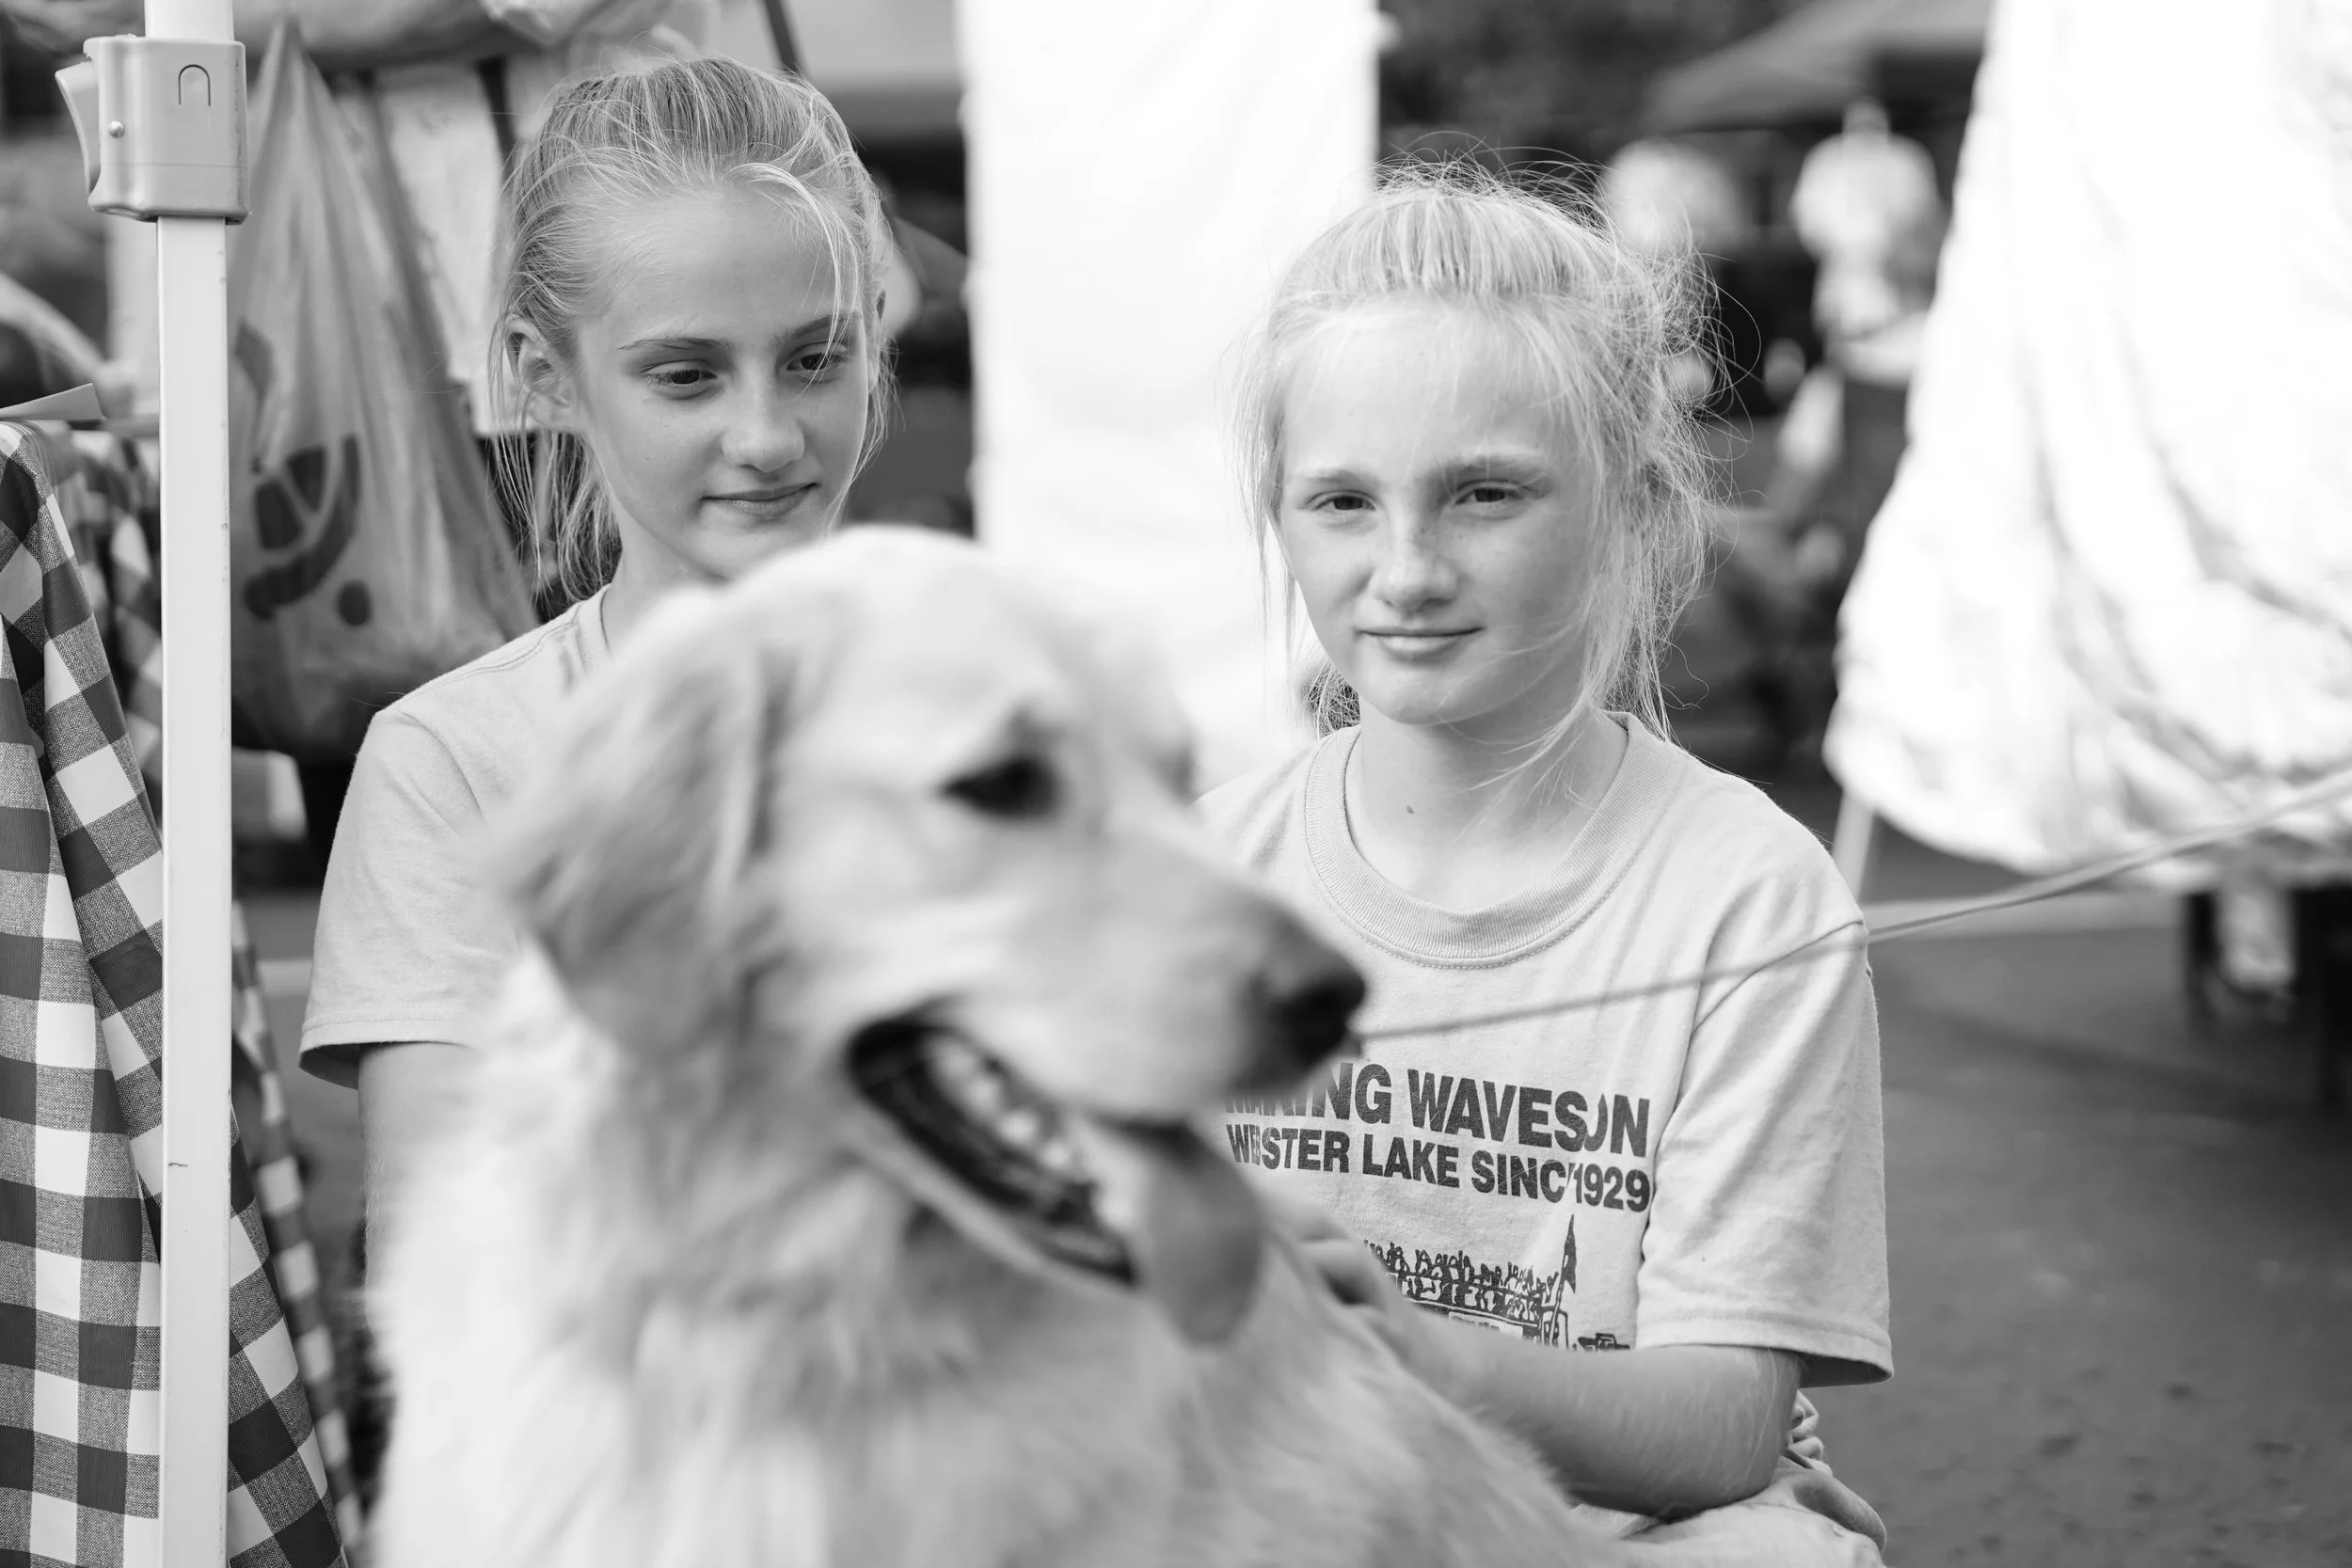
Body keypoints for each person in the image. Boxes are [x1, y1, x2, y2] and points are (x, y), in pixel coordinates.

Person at [1207, 165, 1892, 1563]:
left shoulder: (1749, 894)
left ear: (1631, 507)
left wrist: (1408, 1345)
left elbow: (1719, 1429)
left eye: (1482, 493)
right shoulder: (1204, 867)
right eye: (1341, 501)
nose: (1405, 568)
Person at [298, 57, 895, 1275]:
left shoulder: (997, 700)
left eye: (816, 357)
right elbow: (441, 1254)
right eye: (686, 374)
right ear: (542, 373)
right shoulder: (459, 761)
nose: (767, 434)